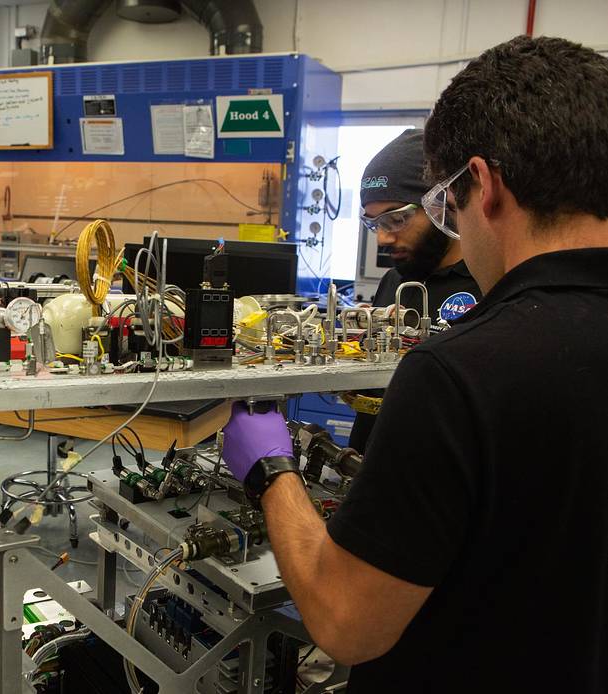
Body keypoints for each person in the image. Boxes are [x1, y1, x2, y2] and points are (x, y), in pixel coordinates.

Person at [222, 35, 608, 692]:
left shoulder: (463, 371)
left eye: (443, 205)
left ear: (480, 185)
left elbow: (346, 625)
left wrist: (270, 471)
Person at [348, 129, 483, 452]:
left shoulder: (484, 284)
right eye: (375, 224)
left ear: (440, 204)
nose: (382, 239)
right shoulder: (395, 281)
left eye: (396, 220)